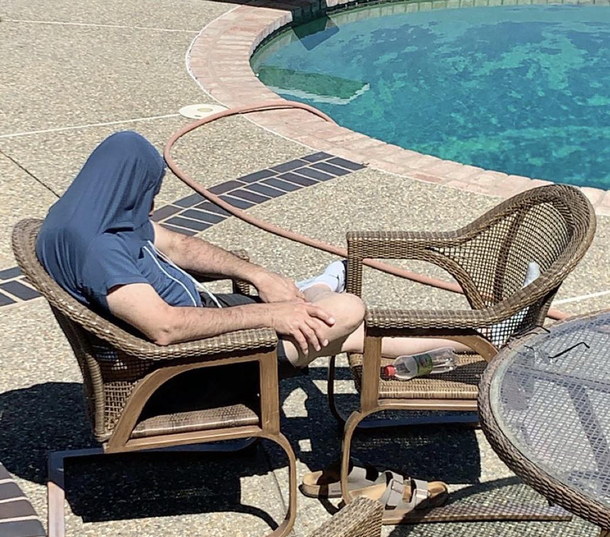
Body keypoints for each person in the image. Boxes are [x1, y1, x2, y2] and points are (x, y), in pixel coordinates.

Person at [36, 131, 464, 369]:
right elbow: (163, 327)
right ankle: (315, 291)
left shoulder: (90, 213)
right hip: (194, 364)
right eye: (150, 190)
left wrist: (261, 277)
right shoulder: (100, 250)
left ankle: (473, 341)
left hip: (206, 321)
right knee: (349, 310)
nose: (150, 202)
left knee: (349, 335)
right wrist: (271, 313)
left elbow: (178, 244)